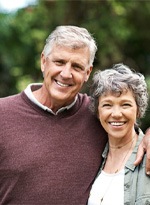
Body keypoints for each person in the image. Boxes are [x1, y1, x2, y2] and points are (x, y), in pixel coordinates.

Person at [0, 26, 149, 204]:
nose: (66, 74)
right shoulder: (3, 114)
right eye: (59, 62)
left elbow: (128, 129)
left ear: (87, 73)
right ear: (43, 61)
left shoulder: (97, 113)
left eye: (77, 66)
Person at [88, 63, 150, 205]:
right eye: (107, 105)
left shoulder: (148, 158)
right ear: (98, 112)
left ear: (138, 110)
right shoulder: (92, 157)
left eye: (125, 105)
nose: (116, 114)